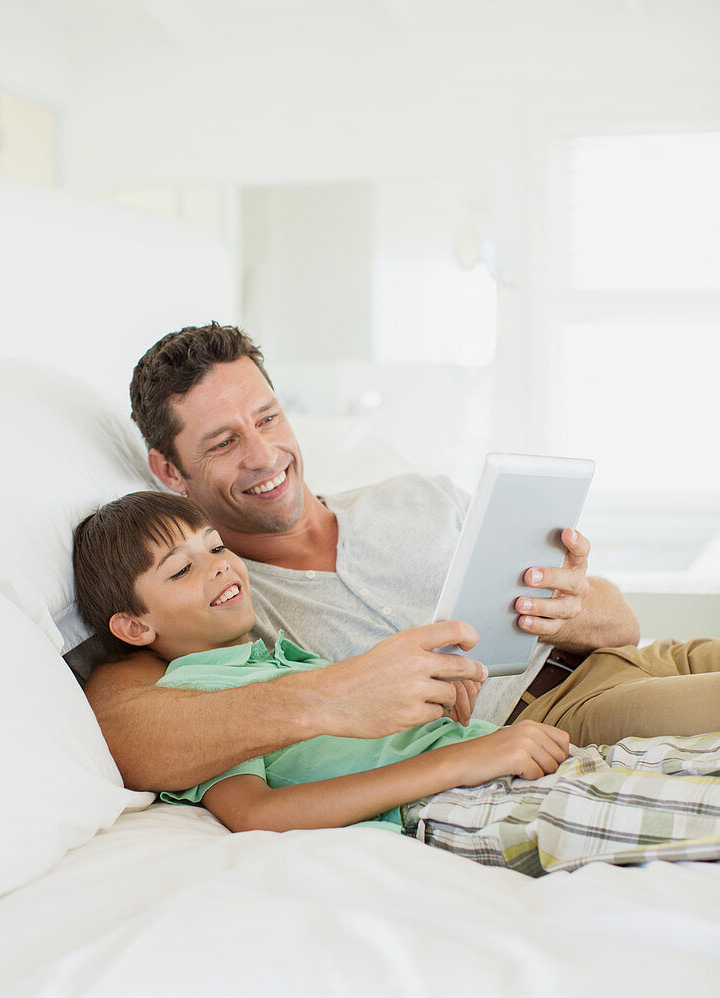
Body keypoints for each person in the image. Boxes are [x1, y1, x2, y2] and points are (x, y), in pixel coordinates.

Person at [84, 322, 720, 793]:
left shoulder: (417, 495)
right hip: (556, 720)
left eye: (268, 418)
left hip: (639, 658)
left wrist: (573, 608)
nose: (263, 455)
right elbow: (126, 733)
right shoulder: (213, 603)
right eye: (224, 442)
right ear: (169, 470)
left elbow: (623, 623)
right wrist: (332, 697)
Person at [73, 491, 571, 833]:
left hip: (502, 762)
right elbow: (256, 814)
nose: (219, 564)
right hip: (457, 800)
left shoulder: (275, 657)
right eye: (182, 569)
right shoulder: (196, 693)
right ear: (135, 627)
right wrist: (455, 761)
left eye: (216, 546)